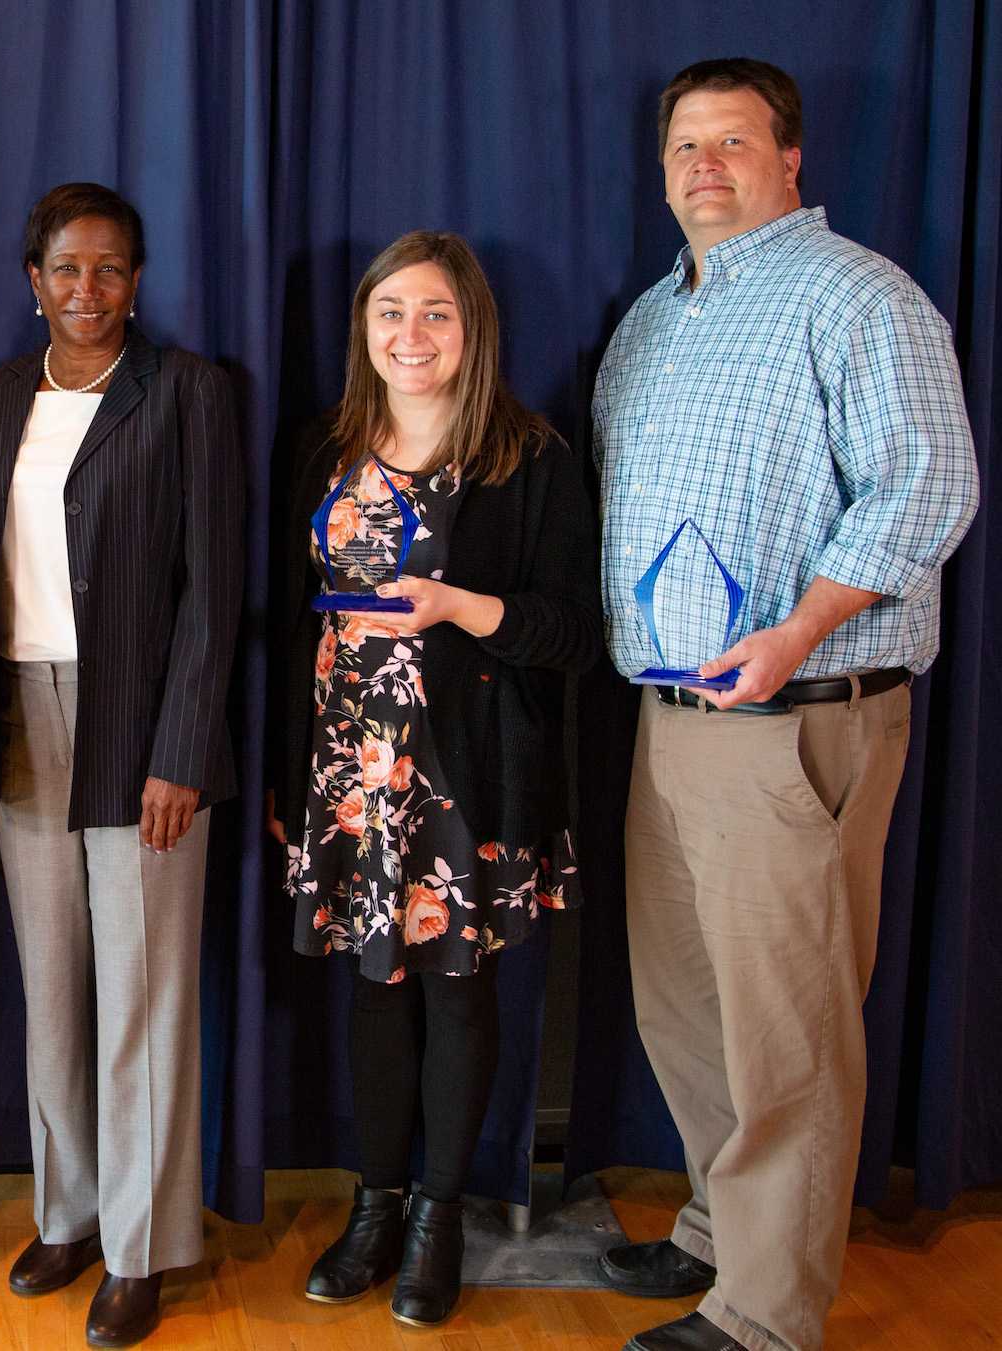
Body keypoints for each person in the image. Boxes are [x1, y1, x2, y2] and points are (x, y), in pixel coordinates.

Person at [592, 58, 978, 1351]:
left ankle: (767, 1312)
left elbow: (927, 487)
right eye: (685, 145)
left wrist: (802, 626)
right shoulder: (653, 317)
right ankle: (718, 1232)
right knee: (689, 1005)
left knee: (788, 1024)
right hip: (673, 714)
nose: (705, 164)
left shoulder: (860, 297)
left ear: (790, 159)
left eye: (734, 142)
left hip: (800, 711)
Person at [268, 231, 600, 1326]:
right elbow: (280, 624)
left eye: (436, 313)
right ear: (364, 329)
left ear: (473, 330)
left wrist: (457, 605)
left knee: (459, 993)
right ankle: (376, 1202)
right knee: (376, 988)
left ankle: (440, 1214)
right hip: (349, 772)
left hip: (471, 771)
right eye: (390, 313)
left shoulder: (526, 458)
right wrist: (289, 777)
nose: (411, 335)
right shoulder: (325, 448)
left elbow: (569, 632)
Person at [0, 182, 243, 1349]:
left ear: (138, 280)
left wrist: (183, 751)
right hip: (20, 717)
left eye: (110, 269)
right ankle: (65, 1213)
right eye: (66, 268)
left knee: (142, 993)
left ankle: (142, 1242)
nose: (87, 291)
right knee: (52, 984)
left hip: (141, 724)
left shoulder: (187, 395)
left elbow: (215, 594)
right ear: (34, 280)